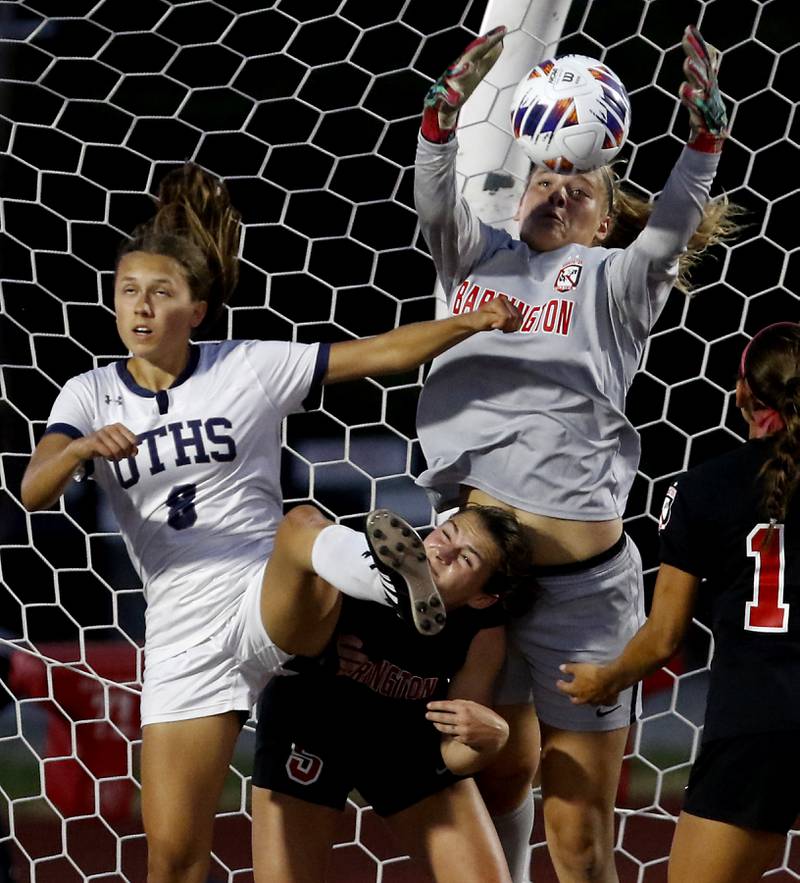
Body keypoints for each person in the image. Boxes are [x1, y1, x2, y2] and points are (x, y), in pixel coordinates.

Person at [19, 162, 522, 883]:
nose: (140, 306)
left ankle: (389, 576)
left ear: (195, 308)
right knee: (173, 857)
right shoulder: (89, 392)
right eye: (128, 289)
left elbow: (374, 354)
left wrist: (468, 322)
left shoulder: (245, 366)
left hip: (272, 601)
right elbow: (33, 487)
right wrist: (79, 448)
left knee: (298, 527)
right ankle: (383, 571)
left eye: (161, 292)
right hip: (183, 630)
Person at [413, 23, 740, 883]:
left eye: (581, 185)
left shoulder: (616, 283)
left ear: (604, 220)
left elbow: (672, 225)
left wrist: (703, 138)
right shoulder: (472, 259)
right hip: (475, 580)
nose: (557, 189)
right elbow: (436, 195)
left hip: (580, 599)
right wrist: (441, 121)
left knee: (580, 834)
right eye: (546, 173)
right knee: (482, 781)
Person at [557, 322, 800, 883]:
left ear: (743, 394)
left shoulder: (705, 488)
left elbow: (664, 635)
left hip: (756, 726)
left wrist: (606, 680)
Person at [249, 502, 532, 883]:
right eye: (445, 535)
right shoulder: (359, 560)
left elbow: (450, 755)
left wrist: (490, 741)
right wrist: (319, 649)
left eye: (465, 558)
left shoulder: (483, 631)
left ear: (482, 598)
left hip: (403, 744)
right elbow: (280, 637)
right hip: (312, 725)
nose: (440, 553)